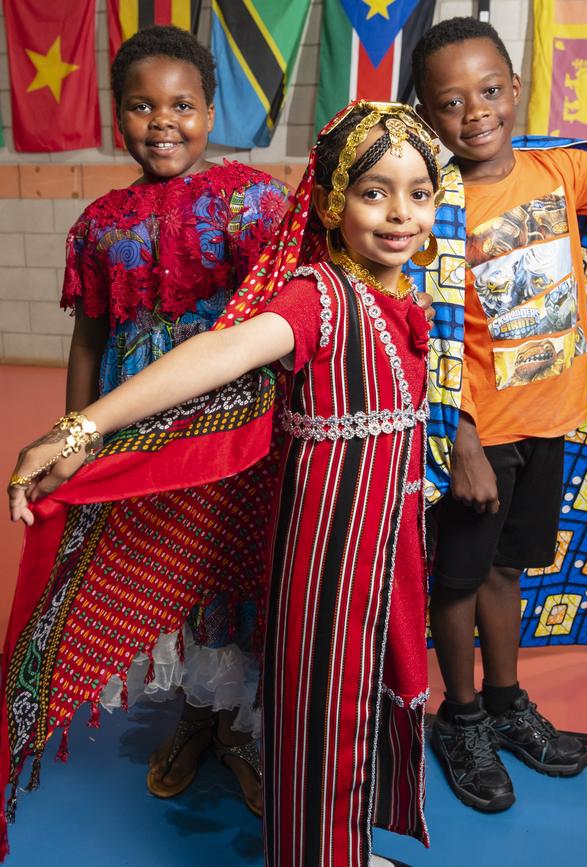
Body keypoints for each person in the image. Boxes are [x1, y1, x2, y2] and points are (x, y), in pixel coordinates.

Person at [8, 101, 445, 867]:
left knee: (367, 690)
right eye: (374, 191)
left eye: (418, 192)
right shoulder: (320, 298)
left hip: (385, 541)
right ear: (330, 199)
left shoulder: (402, 295)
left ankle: (339, 845)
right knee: (326, 708)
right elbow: (221, 351)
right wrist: (82, 427)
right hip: (331, 551)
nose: (400, 213)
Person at [411, 16, 587, 812]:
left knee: (506, 569)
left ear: (514, 90)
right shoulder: (431, 209)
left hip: (549, 419)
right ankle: (463, 715)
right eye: (450, 102)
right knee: (457, 578)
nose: (475, 111)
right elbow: (430, 337)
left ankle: (508, 701)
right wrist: (465, 439)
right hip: (477, 437)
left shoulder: (558, 173)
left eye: (489, 91)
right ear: (425, 112)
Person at [62, 24, 291, 811]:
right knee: (172, 569)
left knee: (232, 566)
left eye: (182, 104)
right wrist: (76, 439)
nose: (163, 121)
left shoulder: (252, 200)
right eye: (141, 106)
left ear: (211, 107)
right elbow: (89, 338)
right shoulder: (99, 222)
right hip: (140, 430)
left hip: (232, 426)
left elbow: (290, 315)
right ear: (115, 115)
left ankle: (238, 727)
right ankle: (197, 716)